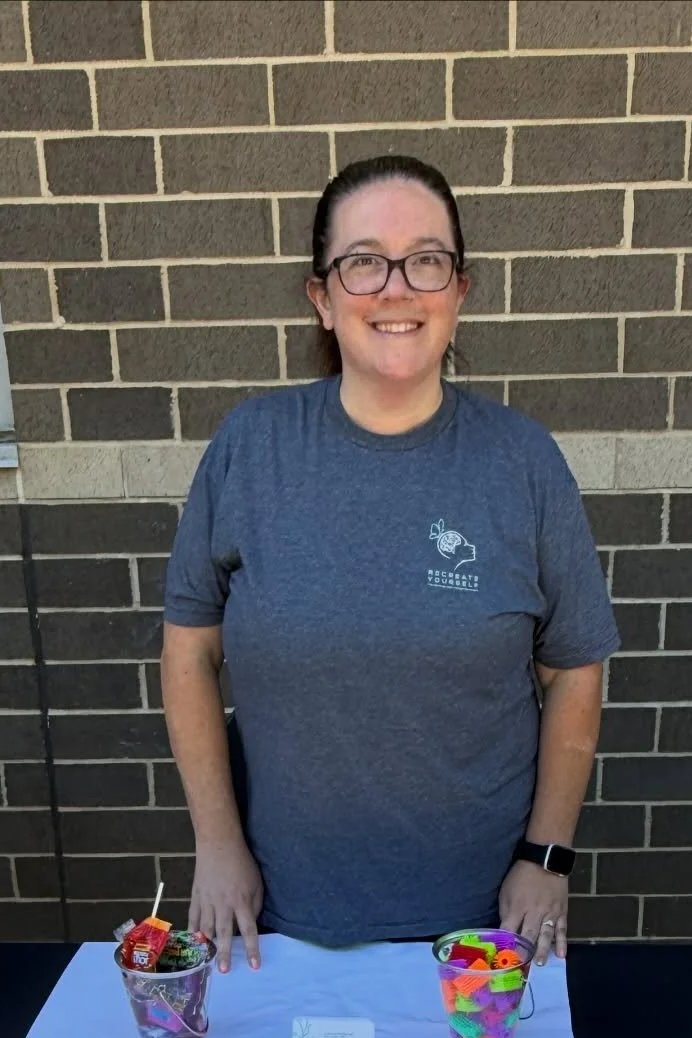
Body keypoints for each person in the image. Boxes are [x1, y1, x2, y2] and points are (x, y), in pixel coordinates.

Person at [162, 154, 618, 973]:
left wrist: (547, 857)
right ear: (323, 297)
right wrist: (217, 845)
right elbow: (189, 651)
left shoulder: (522, 462)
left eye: (426, 261)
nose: (396, 288)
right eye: (364, 261)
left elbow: (575, 669)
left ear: (460, 291)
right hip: (275, 917)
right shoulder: (252, 449)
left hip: (484, 927)